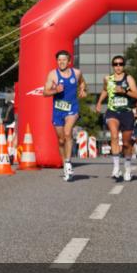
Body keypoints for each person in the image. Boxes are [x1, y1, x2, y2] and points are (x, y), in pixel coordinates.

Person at [43, 50, 88, 181]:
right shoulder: (53, 75)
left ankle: (68, 163)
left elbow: (82, 82)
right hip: (58, 111)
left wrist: (82, 90)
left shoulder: (77, 73)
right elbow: (45, 92)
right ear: (57, 61)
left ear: (69, 61)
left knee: (68, 133)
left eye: (64, 60)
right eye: (59, 60)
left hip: (72, 109)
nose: (61, 62)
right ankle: (64, 163)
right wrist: (55, 90)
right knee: (61, 140)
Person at [95, 55, 137, 182]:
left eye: (120, 64)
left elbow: (136, 95)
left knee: (126, 144)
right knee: (114, 136)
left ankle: (127, 167)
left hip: (126, 113)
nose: (118, 66)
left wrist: (124, 91)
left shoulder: (128, 78)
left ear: (123, 65)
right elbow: (105, 90)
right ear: (112, 66)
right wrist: (99, 102)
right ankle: (116, 167)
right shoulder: (108, 79)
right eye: (115, 64)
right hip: (112, 112)